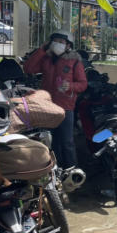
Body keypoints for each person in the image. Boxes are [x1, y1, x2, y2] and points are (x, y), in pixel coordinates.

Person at [24, 30, 87, 169]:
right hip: (47, 106)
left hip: (65, 107)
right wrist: (42, 49)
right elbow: (28, 68)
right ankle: (55, 171)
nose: (57, 44)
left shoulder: (74, 61)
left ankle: (72, 173)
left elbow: (83, 84)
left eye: (61, 42)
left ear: (68, 45)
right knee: (50, 141)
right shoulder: (46, 59)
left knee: (67, 142)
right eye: (55, 41)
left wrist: (70, 86)